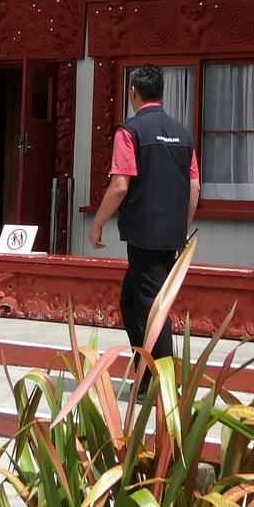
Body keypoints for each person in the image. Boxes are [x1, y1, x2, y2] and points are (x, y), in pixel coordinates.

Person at [86, 64, 200, 365]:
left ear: (133, 92)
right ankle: (146, 368)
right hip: (171, 234)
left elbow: (120, 184)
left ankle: (159, 382)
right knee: (131, 300)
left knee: (151, 308)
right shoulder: (183, 134)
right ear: (159, 93)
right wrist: (181, 228)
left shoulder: (129, 131)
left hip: (143, 234)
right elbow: (195, 187)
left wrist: (97, 224)